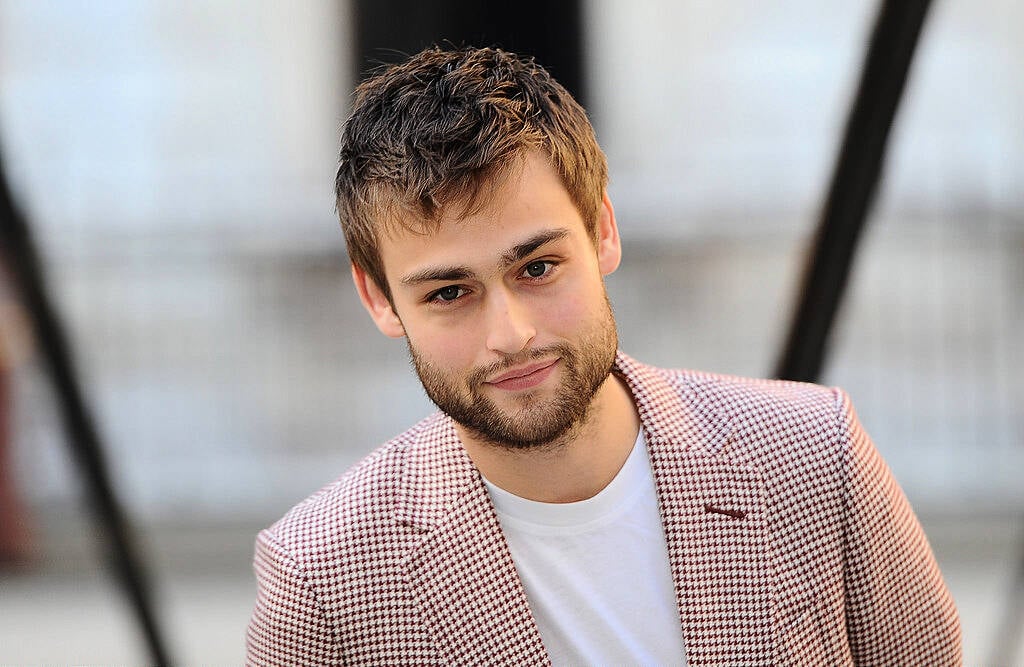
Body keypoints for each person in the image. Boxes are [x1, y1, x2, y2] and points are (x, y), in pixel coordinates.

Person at [247, 46, 960, 665]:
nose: (511, 334)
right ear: (378, 300)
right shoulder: (321, 577)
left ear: (603, 232)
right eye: (448, 293)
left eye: (537, 268)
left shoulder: (814, 453)